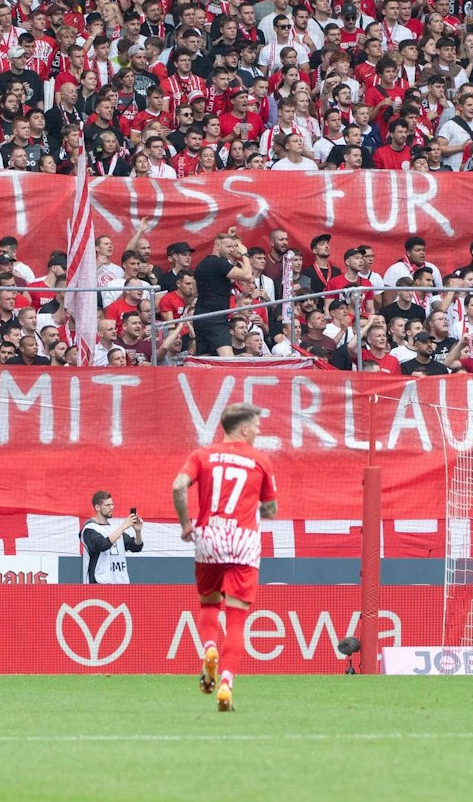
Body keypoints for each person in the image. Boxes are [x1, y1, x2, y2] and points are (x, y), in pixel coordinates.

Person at [173, 402, 278, 712]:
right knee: (236, 619)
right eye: (257, 425)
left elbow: (178, 486)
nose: (259, 431)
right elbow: (270, 510)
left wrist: (184, 524)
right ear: (243, 428)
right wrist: (255, 509)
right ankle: (226, 685)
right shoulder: (260, 461)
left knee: (209, 604)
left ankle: (209, 650)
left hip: (208, 537)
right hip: (243, 541)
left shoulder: (202, 455)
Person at [191, 231, 256, 357]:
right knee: (227, 358)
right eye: (228, 247)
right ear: (217, 246)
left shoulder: (201, 264)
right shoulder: (218, 262)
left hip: (200, 316)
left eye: (233, 247)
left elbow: (193, 291)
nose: (231, 250)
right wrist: (245, 254)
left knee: (206, 358)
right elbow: (247, 275)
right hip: (215, 317)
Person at [81, 489, 144, 584]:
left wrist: (138, 532)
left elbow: (136, 547)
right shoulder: (89, 529)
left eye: (112, 504)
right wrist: (123, 526)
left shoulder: (114, 529)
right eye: (107, 505)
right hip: (99, 585)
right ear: (97, 507)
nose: (111, 507)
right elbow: (102, 545)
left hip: (120, 584)